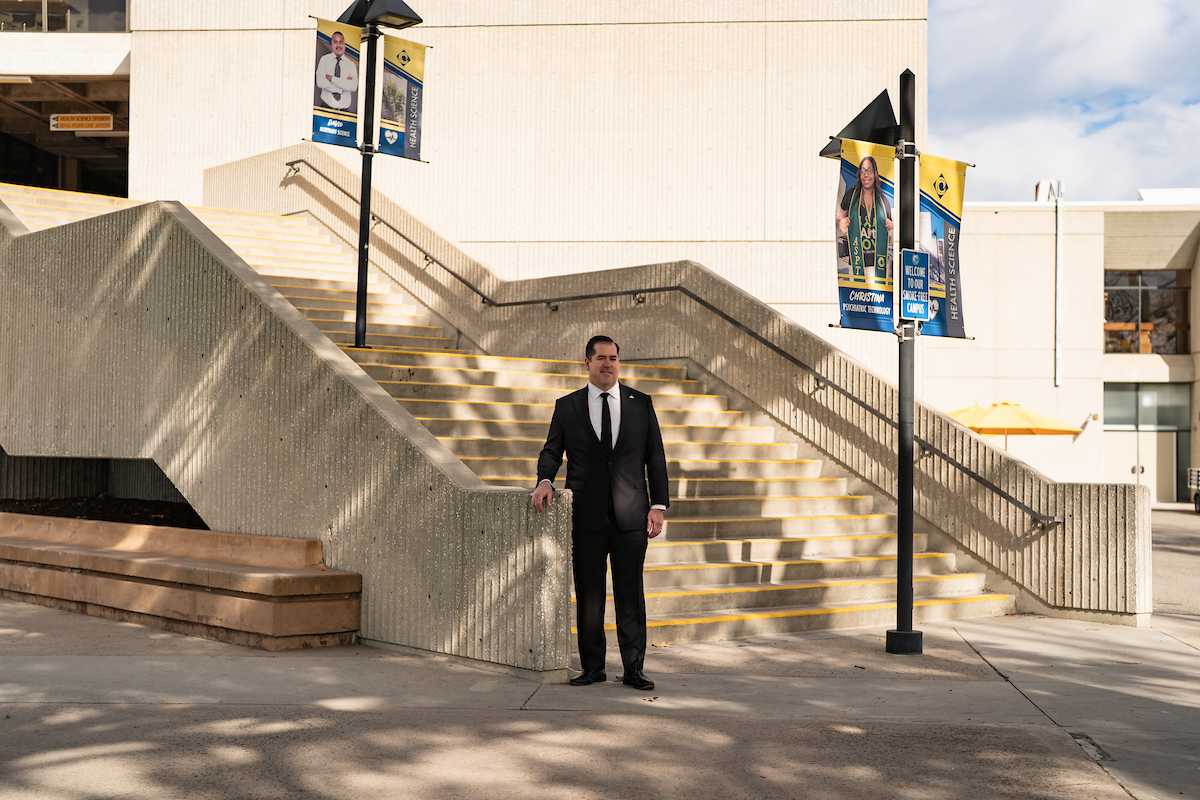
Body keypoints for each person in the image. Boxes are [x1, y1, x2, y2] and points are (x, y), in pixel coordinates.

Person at [531, 335, 669, 690]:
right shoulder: (568, 406)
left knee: (630, 593)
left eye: (613, 358)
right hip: (586, 515)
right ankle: (593, 667)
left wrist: (657, 505)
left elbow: (655, 457)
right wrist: (545, 480)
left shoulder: (641, 403)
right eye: (601, 358)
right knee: (590, 594)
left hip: (631, 515)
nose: (608, 363)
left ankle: (634, 668)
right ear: (587, 363)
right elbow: (551, 451)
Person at [836, 155, 895, 279]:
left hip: (878, 265)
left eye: (869, 170)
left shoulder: (884, 201)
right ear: (859, 174)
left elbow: (888, 237)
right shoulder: (851, 195)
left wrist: (890, 231)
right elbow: (839, 221)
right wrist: (842, 225)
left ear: (875, 173)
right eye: (862, 171)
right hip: (856, 262)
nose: (866, 175)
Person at [315, 32, 358, 111]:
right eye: (335, 42)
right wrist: (341, 88)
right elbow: (320, 82)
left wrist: (332, 79)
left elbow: (353, 86)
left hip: (344, 112)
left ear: (344, 44)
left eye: (341, 42)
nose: (338, 45)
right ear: (331, 44)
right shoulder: (324, 60)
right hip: (326, 108)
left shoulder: (351, 65)